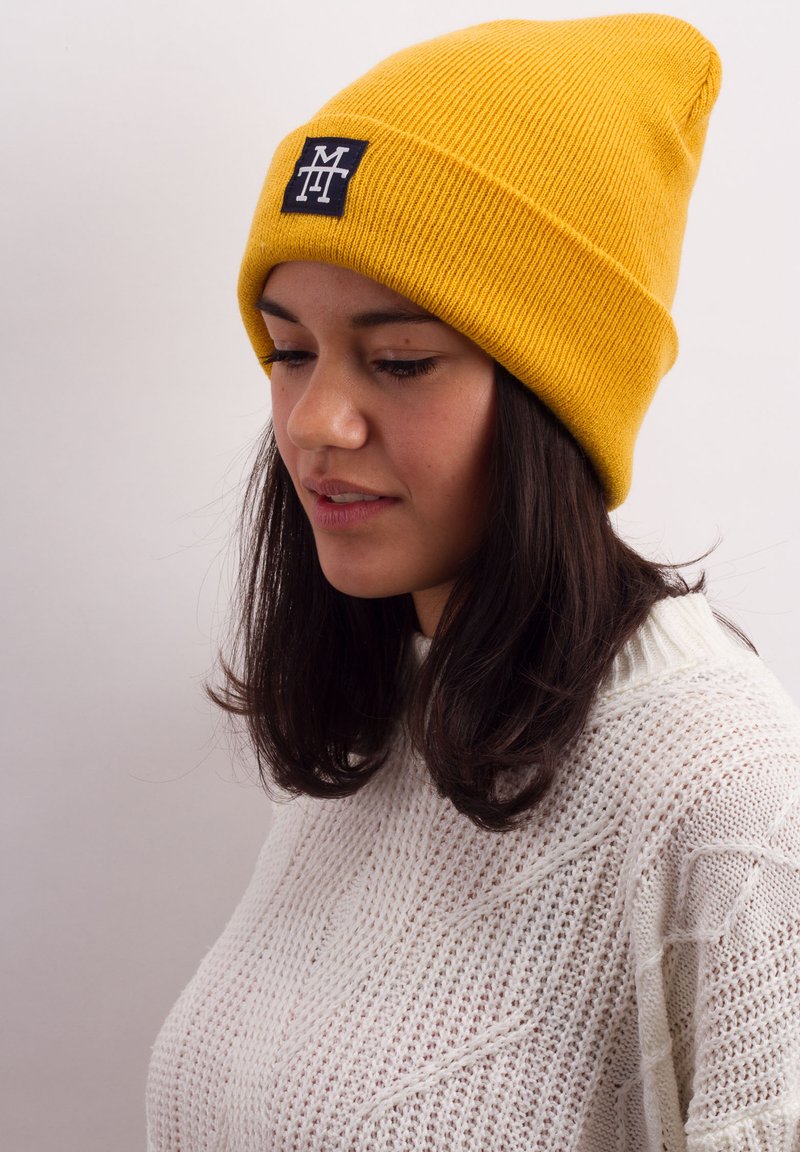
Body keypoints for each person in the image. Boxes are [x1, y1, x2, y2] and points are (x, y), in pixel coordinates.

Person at [146, 14, 800, 1152]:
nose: (316, 425)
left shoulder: (720, 786)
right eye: (287, 349)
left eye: (399, 362)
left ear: (561, 401)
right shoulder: (387, 719)